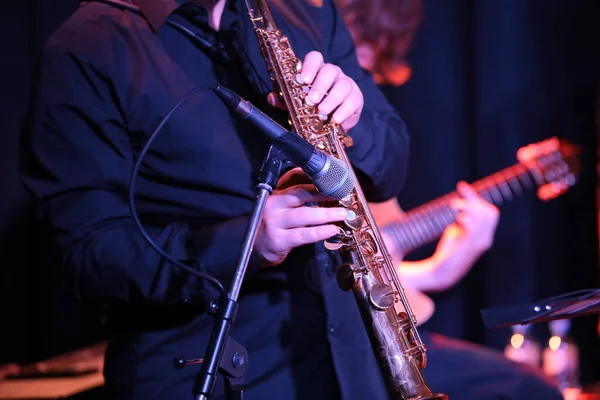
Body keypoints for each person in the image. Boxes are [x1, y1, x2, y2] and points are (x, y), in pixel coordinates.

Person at [19, 0, 415, 399]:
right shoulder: (86, 46)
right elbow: (87, 252)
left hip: (351, 367)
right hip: (208, 375)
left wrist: (353, 122)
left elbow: (392, 169)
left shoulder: (308, 13)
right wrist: (244, 244)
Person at [336, 0, 564, 399]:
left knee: (531, 387)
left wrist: (436, 269)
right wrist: (435, 273)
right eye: (355, 44)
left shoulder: (373, 154)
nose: (361, 72)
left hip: (390, 334)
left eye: (370, 64)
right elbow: (328, 280)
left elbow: (378, 267)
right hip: (340, 347)